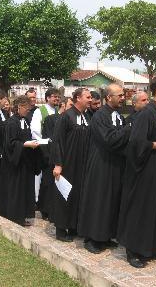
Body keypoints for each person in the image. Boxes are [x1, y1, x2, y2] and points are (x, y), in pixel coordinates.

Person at [118, 75, 156, 268]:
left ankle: (149, 247)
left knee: (155, 206)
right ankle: (133, 250)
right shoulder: (146, 113)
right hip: (144, 168)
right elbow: (136, 143)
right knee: (141, 207)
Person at [78, 83, 131, 254]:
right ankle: (93, 238)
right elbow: (109, 139)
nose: (123, 98)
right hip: (101, 164)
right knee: (99, 200)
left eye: (123, 95)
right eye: (120, 95)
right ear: (109, 97)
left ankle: (106, 236)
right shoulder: (100, 116)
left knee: (112, 200)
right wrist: (128, 129)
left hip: (115, 164)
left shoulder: (118, 115)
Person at [50, 88, 92, 242]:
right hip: (68, 163)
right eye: (87, 97)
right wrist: (58, 164)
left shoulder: (86, 116)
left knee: (78, 195)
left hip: (82, 163)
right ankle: (61, 229)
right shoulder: (66, 117)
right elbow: (58, 141)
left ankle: (73, 226)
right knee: (64, 195)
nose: (90, 99)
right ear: (77, 98)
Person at [0, 96, 41, 226]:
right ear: (19, 107)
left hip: (24, 160)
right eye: (26, 107)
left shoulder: (25, 120)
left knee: (24, 189)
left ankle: (22, 215)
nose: (28, 110)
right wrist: (26, 144)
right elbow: (10, 144)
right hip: (14, 162)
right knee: (15, 189)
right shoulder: (11, 123)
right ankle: (13, 216)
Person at [38, 97, 73, 220]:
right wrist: (50, 157)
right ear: (63, 105)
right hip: (52, 157)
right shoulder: (50, 119)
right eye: (70, 104)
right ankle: (46, 210)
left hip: (65, 158)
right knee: (48, 185)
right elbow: (48, 139)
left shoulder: (73, 119)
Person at [30, 88, 61, 205]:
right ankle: (38, 200)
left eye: (58, 96)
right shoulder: (40, 111)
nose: (57, 98)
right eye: (54, 96)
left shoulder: (57, 111)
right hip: (43, 148)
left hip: (54, 149)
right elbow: (35, 130)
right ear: (47, 98)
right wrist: (45, 142)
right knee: (41, 177)